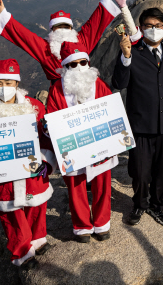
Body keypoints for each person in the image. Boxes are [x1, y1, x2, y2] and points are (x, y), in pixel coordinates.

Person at [0, 59, 54, 270]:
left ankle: (38, 239)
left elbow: (45, 138)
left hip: (33, 170)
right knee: (12, 213)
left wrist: (47, 161)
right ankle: (22, 252)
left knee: (37, 204)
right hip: (4, 175)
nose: (4, 88)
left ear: (17, 83)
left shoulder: (34, 107)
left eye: (9, 82)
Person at [113, 7, 163, 227]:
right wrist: (126, 56)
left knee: (160, 170)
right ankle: (139, 204)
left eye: (158, 26)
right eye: (149, 26)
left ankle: (157, 204)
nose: (154, 30)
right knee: (139, 170)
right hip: (140, 124)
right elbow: (119, 83)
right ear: (141, 28)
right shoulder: (132, 52)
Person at [0, 0, 138, 90]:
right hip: (60, 94)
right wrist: (4, 16)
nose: (62, 30)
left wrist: (107, 0)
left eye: (66, 26)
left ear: (71, 28)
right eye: (58, 27)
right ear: (52, 31)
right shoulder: (44, 49)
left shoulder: (81, 41)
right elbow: (24, 36)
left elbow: (94, 23)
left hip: (89, 91)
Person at [46, 41, 118, 243]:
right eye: (73, 64)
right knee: (76, 187)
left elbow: (111, 110)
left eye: (83, 62)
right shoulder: (57, 91)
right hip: (73, 148)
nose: (79, 68)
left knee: (103, 185)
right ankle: (82, 226)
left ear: (89, 62)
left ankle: (102, 223)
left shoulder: (99, 85)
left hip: (99, 144)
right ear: (65, 67)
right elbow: (51, 117)